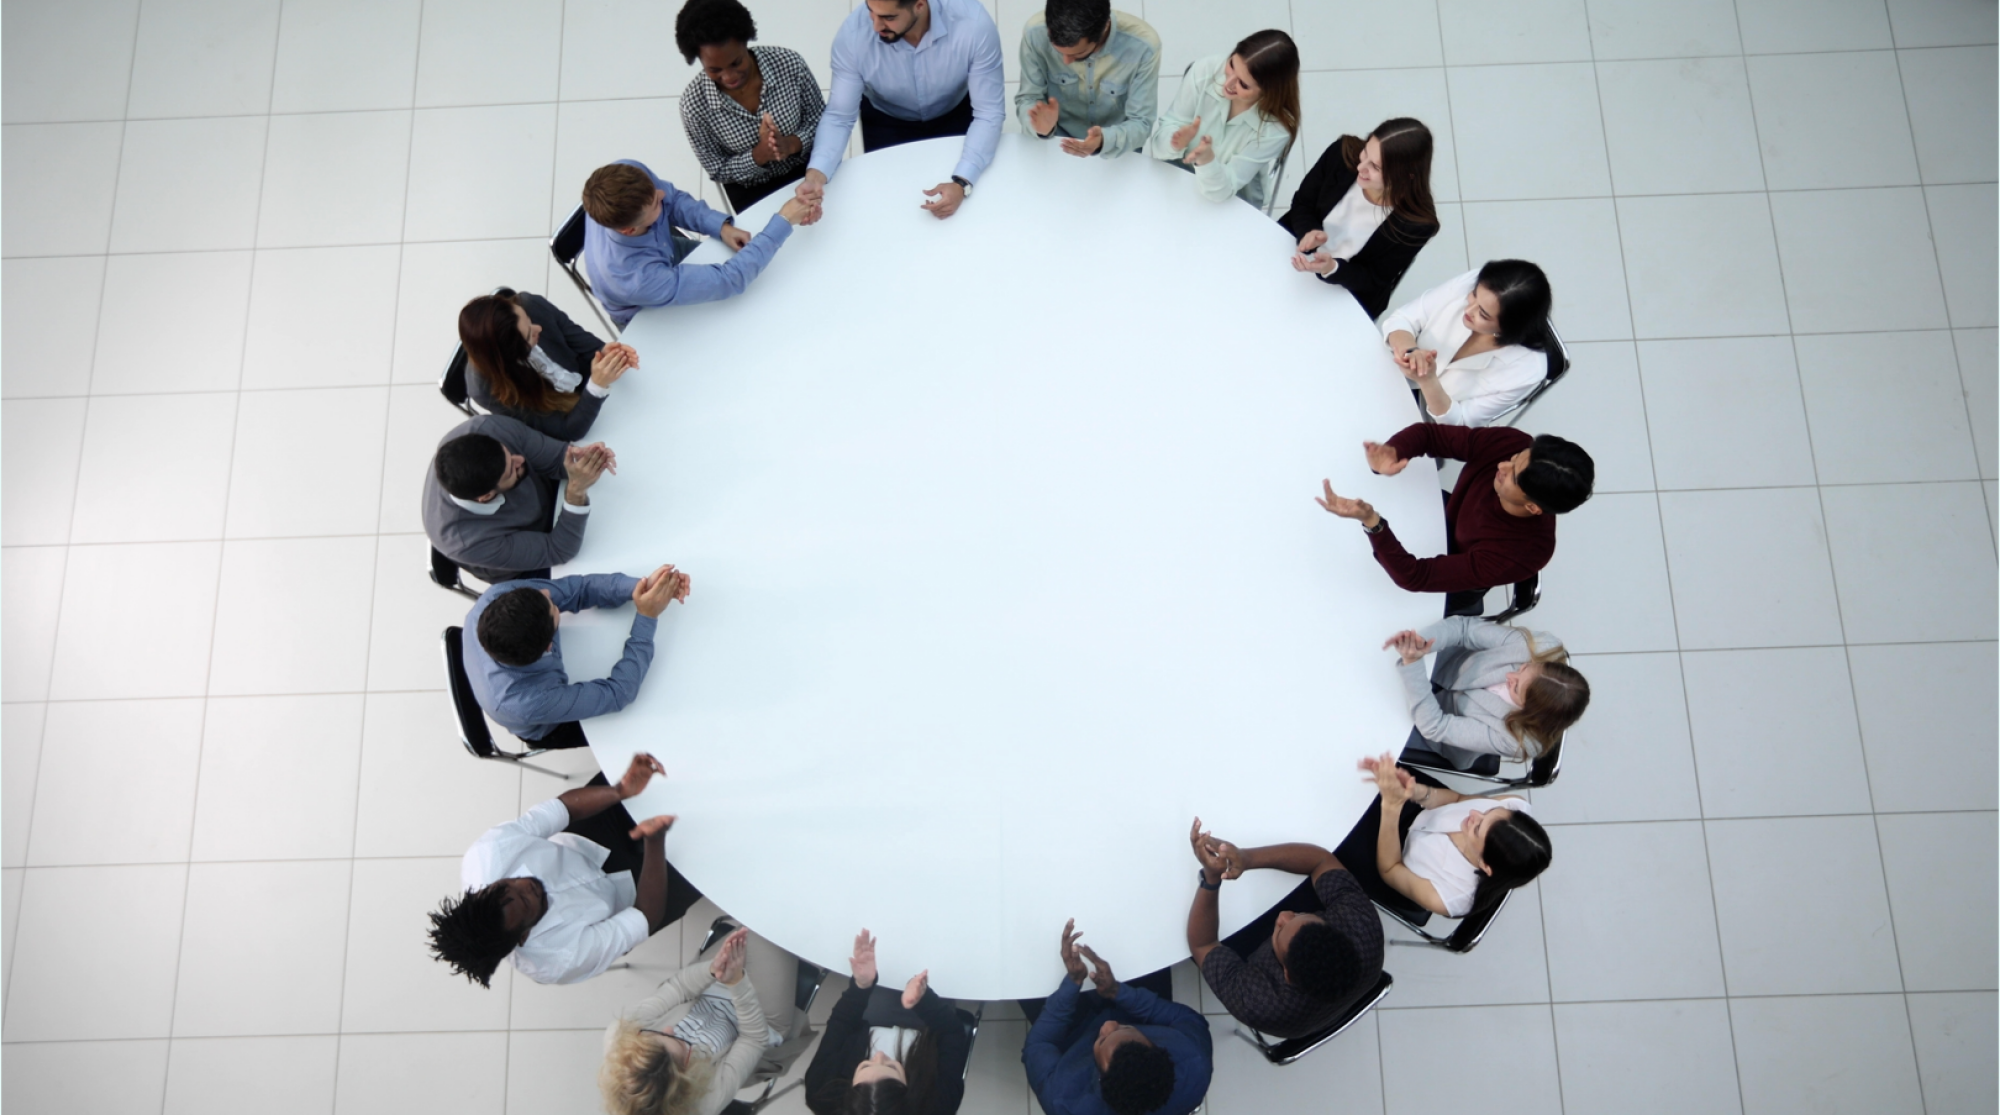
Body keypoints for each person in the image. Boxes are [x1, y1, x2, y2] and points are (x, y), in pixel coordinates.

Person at [429, 753, 701, 986]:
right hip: (632, 901)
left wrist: (620, 791)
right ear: (523, 936)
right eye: (525, 901)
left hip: (586, 838)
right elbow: (645, 916)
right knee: (712, 859)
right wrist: (655, 841)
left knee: (669, 767)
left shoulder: (486, 855)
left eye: (507, 884)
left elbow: (562, 809)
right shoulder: (558, 961)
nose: (525, 885)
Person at [1317, 426, 1595, 616]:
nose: (1502, 465)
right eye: (1514, 458)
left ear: (1533, 506)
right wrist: (1394, 452)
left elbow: (1414, 576)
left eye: (1511, 474)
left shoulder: (1522, 554)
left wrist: (1372, 521)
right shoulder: (1513, 443)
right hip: (1442, 517)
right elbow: (1431, 435)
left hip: (1445, 585)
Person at [795, 0, 1006, 221]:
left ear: (920, 5)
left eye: (888, 17)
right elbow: (839, 117)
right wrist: (816, 176)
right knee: (893, 210)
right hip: (886, 120)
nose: (876, 26)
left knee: (969, 211)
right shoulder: (852, 35)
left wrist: (963, 181)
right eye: (871, 12)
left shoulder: (973, 24)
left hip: (954, 111)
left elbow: (989, 112)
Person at [1183, 818, 1383, 1041]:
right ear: (1335, 927)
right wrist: (1246, 859)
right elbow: (1321, 861)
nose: (1283, 916)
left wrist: (1211, 878)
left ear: (1286, 974)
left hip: (1279, 998)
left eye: (1280, 930)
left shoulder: (1258, 1002)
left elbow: (1203, 944)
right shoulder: (1364, 930)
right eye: (1298, 916)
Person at [463, 565, 689, 749]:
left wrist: (641, 588)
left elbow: (578, 589)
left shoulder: (496, 596)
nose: (548, 592)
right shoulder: (526, 702)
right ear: (549, 646)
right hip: (548, 724)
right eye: (554, 608)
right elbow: (619, 693)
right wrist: (647, 616)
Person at [601, 924, 812, 1115]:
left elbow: (678, 988)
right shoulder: (705, 1103)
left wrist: (713, 970)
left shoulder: (622, 1037)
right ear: (685, 1078)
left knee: (758, 921)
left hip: (706, 989)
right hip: (759, 1022)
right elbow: (754, 1039)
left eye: (656, 1034)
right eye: (681, 1045)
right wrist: (737, 983)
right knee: (775, 927)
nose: (669, 1029)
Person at [582, 159, 818, 328]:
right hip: (647, 313)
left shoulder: (631, 172)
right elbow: (728, 280)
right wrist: (784, 220)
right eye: (655, 204)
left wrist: (720, 227)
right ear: (628, 229)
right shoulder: (635, 279)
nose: (662, 195)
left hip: (666, 253)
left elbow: (673, 201)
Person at [1022, 920, 1211, 1115]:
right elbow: (1186, 1019)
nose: (1109, 1024)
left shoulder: (1065, 1102)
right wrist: (1119, 992)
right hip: (1135, 1012)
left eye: (1102, 1041)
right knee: (1139, 932)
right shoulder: (1193, 1062)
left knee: (1026, 955)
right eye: (1124, 1029)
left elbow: (1038, 1045)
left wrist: (1073, 982)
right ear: (1157, 1048)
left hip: (1074, 1035)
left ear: (1101, 1078)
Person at [1347, 752, 1552, 920]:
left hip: (1393, 861)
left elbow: (1389, 869)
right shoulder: (1513, 806)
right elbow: (1458, 799)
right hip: (1420, 808)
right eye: (1487, 812)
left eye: (1477, 828)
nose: (1473, 813)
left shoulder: (1449, 897)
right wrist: (1416, 791)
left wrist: (1391, 808)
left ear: (1484, 865)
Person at [423, 414, 615, 585]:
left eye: (508, 452)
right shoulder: (467, 542)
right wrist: (576, 493)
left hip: (547, 500)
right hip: (526, 566)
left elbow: (556, 459)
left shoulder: (487, 429)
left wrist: (583, 459)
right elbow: (558, 550)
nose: (520, 460)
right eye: (511, 470)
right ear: (487, 496)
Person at [1278, 118, 1440, 320]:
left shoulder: (1417, 224)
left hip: (1345, 289)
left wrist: (1332, 267)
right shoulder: (1342, 154)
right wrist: (1309, 231)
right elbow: (1303, 203)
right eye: (1365, 152)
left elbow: (1375, 277)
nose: (1360, 167)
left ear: (1406, 176)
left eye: (1375, 167)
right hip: (1292, 251)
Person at [675, 0, 827, 212]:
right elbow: (718, 170)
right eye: (714, 69)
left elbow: (822, 121)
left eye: (736, 63)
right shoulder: (694, 106)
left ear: (746, 42)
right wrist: (760, 154)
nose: (728, 76)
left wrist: (791, 144)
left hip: (808, 168)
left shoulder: (789, 64)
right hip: (752, 189)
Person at [1385, 617, 1590, 771]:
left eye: (1516, 687)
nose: (1509, 674)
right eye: (1523, 668)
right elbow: (1465, 629)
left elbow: (1435, 726)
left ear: (1528, 713)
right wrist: (1423, 642)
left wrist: (1412, 665)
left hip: (1432, 729)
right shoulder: (1542, 648)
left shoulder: (1518, 741)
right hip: (1441, 663)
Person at [804, 929, 971, 1115]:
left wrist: (862, 986)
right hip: (929, 1025)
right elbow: (953, 1033)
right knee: (939, 947)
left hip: (873, 1018)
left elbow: (841, 1023)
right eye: (892, 1066)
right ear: (908, 1093)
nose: (880, 1055)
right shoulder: (938, 1105)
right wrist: (923, 1001)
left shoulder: (821, 1092)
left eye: (865, 1065)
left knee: (889, 943)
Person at [1380, 260, 1554, 427]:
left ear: (1510, 328)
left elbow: (1461, 422)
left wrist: (1428, 381)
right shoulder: (1474, 282)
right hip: (1389, 372)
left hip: (1425, 416)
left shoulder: (1527, 371)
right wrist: (1409, 351)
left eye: (1484, 315)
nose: (1468, 310)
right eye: (1474, 296)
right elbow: (1403, 319)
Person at [457, 288, 637, 442]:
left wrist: (607, 353)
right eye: (528, 335)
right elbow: (566, 430)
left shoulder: (530, 304)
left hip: (605, 401)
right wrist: (596, 386)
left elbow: (588, 347)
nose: (538, 328)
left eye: (528, 319)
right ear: (512, 355)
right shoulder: (485, 389)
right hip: (580, 425)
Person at [1147, 30, 1299, 209]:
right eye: (1232, 65)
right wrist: (1174, 142)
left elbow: (1223, 191)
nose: (1228, 83)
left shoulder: (1276, 129)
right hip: (1175, 176)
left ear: (1268, 92)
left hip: (1232, 199)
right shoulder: (1206, 70)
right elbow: (1157, 147)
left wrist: (1207, 161)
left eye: (1243, 84)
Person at [1014, 0, 1160, 159]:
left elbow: (1141, 122)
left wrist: (1105, 140)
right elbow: (1028, 98)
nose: (1066, 61)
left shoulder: (1143, 46)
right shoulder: (1035, 33)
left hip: (1115, 151)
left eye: (1077, 54)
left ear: (1104, 29)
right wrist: (1041, 128)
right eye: (1058, 51)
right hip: (1055, 142)